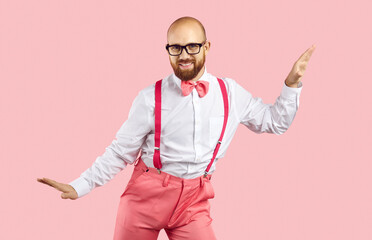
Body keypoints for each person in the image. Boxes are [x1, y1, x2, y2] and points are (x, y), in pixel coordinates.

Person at [37, 16, 315, 240]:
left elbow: (275, 123)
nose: (184, 55)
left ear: (207, 47)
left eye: (192, 46)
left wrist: (292, 85)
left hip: (194, 202)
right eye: (176, 48)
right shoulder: (150, 97)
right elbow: (120, 152)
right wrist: (80, 185)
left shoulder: (231, 93)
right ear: (168, 50)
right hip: (143, 199)